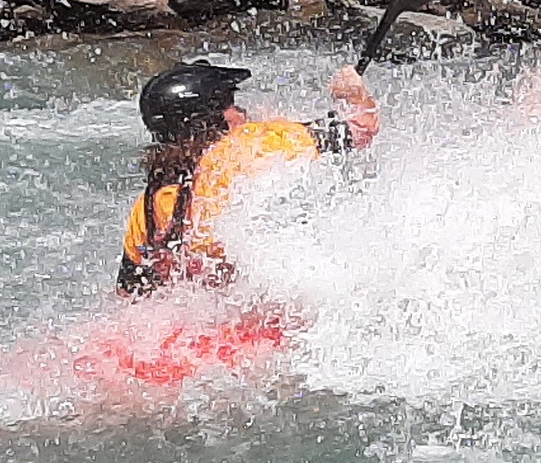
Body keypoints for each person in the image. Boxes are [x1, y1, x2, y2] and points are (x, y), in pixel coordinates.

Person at [117, 60, 378, 298]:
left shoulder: (151, 202)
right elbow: (363, 128)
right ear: (207, 121)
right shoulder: (254, 146)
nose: (240, 109)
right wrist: (353, 93)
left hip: (203, 311)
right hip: (264, 303)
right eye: (229, 103)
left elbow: (128, 292)